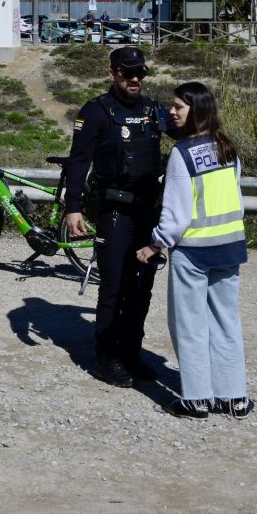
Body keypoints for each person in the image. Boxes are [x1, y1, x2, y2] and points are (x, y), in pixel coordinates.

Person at [137, 81, 251, 420]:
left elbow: (175, 215)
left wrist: (153, 244)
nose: (171, 113)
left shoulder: (182, 155)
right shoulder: (228, 149)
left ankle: (197, 399)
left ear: (195, 112)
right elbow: (237, 200)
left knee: (189, 326)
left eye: (178, 108)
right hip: (229, 248)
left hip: (194, 252)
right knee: (226, 322)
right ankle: (235, 398)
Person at [60, 46, 169, 384]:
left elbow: (185, 132)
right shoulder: (95, 112)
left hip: (147, 212)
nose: (135, 79)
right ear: (112, 74)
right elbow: (78, 161)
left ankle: (131, 353)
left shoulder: (153, 110)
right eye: (127, 73)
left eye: (140, 73)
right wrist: (73, 207)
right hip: (115, 213)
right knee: (114, 285)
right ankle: (106, 357)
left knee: (142, 287)